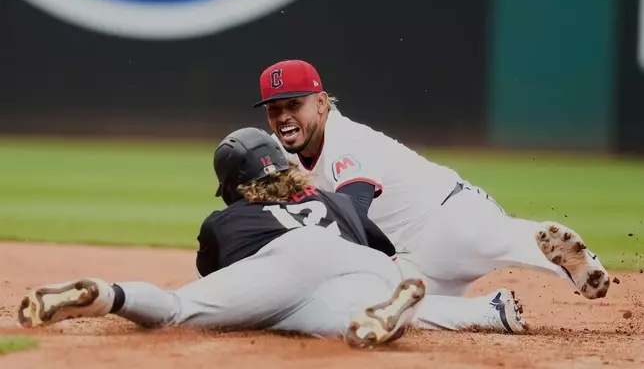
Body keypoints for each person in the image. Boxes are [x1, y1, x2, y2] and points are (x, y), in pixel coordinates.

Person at [251, 59, 611, 331]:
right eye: (274, 109)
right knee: (378, 307)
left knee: (493, 238)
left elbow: (352, 213)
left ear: (321, 103)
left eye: (293, 104)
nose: (283, 116)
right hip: (407, 258)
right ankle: (490, 313)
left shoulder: (346, 140)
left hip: (444, 217)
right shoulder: (287, 154)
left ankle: (570, 260)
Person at [17, 127, 427, 348]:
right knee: (345, 319)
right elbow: (384, 249)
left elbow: (217, 276)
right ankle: (386, 311)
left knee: (179, 308)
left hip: (288, 261)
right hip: (362, 265)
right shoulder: (335, 200)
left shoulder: (227, 220)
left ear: (233, 183)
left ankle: (109, 295)